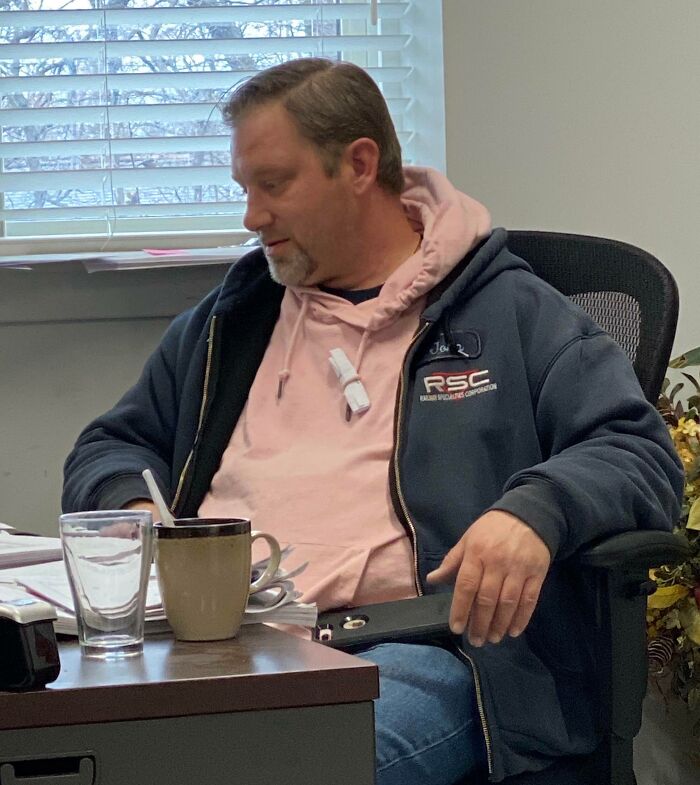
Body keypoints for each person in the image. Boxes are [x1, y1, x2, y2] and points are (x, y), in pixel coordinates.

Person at [62, 58, 683, 784]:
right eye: (245, 189)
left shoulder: (509, 311)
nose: (251, 216)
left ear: (358, 163)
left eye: (274, 184)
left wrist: (536, 512)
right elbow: (111, 444)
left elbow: (638, 451)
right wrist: (138, 512)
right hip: (223, 642)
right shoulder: (235, 322)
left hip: (420, 647)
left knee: (279, 767)